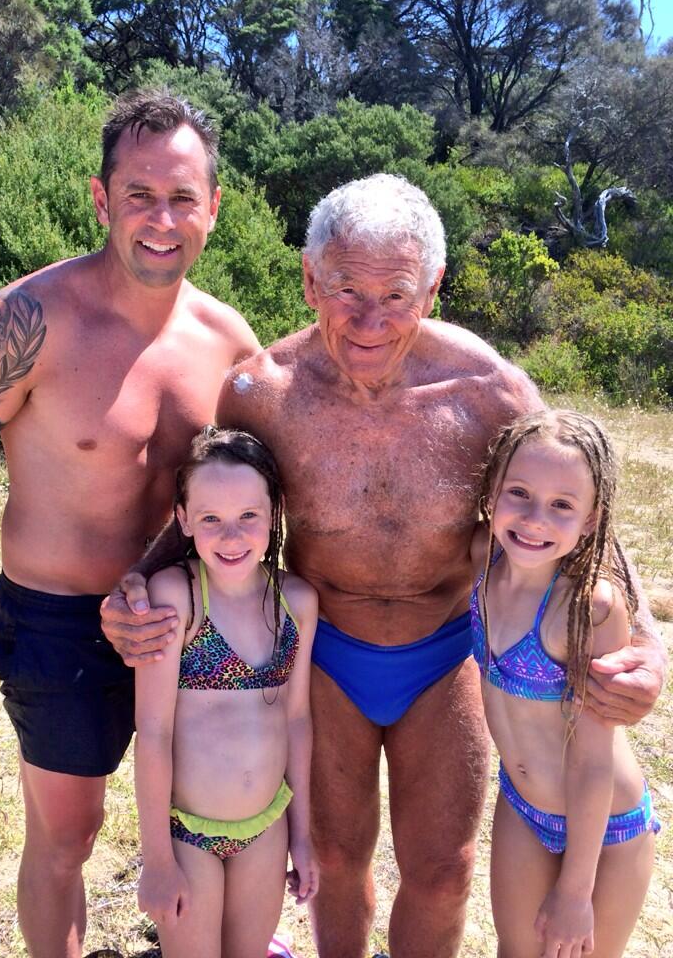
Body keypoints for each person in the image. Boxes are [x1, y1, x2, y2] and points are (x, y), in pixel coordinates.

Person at [103, 173, 667, 958]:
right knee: (335, 863)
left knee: (442, 872)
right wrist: (134, 584)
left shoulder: (489, 393)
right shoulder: (264, 393)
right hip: (326, 654)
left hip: (443, 654)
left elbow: (584, 509)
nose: (371, 319)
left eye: (397, 294)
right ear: (308, 280)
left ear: (432, 287)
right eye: (345, 290)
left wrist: (648, 647)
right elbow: (209, 500)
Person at [0, 89, 260, 958]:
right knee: (67, 838)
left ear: (215, 205)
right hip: (58, 624)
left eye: (183, 197)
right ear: (101, 200)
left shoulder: (229, 344)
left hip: (186, 617)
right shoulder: (26, 321)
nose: (162, 219)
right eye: (139, 195)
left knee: (213, 821)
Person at [470, 410, 659, 957]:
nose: (534, 519)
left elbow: (594, 758)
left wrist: (576, 893)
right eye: (519, 493)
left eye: (561, 506)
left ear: (591, 519)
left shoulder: (588, 607)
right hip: (523, 806)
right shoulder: (482, 560)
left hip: (607, 829)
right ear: (491, 494)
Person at [135, 426, 319, 957]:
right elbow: (153, 730)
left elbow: (298, 720)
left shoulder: (296, 602)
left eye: (248, 517)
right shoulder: (178, 597)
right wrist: (156, 860)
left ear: (274, 513)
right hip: (187, 834)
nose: (231, 536)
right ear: (184, 518)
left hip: (266, 827)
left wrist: (301, 837)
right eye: (211, 518)